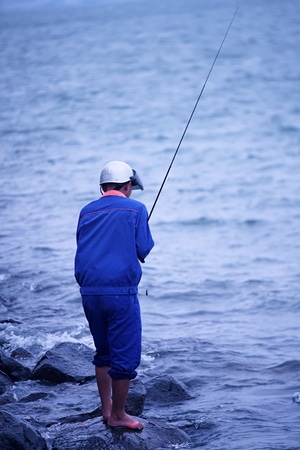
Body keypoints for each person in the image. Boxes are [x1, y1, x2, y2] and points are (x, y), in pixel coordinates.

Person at [74, 160, 154, 431]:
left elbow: (85, 246)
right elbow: (143, 249)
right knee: (126, 356)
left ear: (103, 187)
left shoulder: (85, 212)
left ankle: (107, 411)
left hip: (89, 293)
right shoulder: (137, 208)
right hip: (119, 293)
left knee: (103, 353)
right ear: (128, 185)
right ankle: (119, 415)